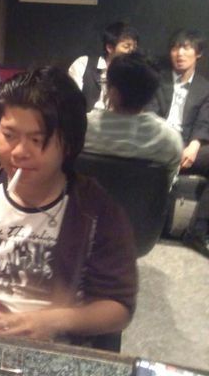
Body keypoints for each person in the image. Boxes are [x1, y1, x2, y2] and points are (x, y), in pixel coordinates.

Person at [0, 67, 137, 344]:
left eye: (37, 140)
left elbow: (119, 307)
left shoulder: (98, 212)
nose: (19, 152)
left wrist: (54, 321)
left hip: (59, 344)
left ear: (69, 143)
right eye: (9, 135)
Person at [146, 29, 209, 257]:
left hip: (189, 147)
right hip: (159, 142)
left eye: (186, 47)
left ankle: (197, 231)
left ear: (198, 53)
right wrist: (169, 145)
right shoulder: (157, 81)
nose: (180, 53)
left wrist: (194, 146)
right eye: (175, 47)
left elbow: (204, 122)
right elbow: (150, 117)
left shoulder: (204, 87)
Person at [84, 53, 182, 186]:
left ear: (113, 91)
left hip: (88, 198)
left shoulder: (83, 127)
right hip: (144, 200)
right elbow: (166, 185)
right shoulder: (169, 139)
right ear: (151, 93)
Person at [68, 22, 139, 112]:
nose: (131, 52)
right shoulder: (83, 64)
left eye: (134, 48)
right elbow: (71, 101)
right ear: (110, 48)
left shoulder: (134, 74)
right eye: (126, 46)